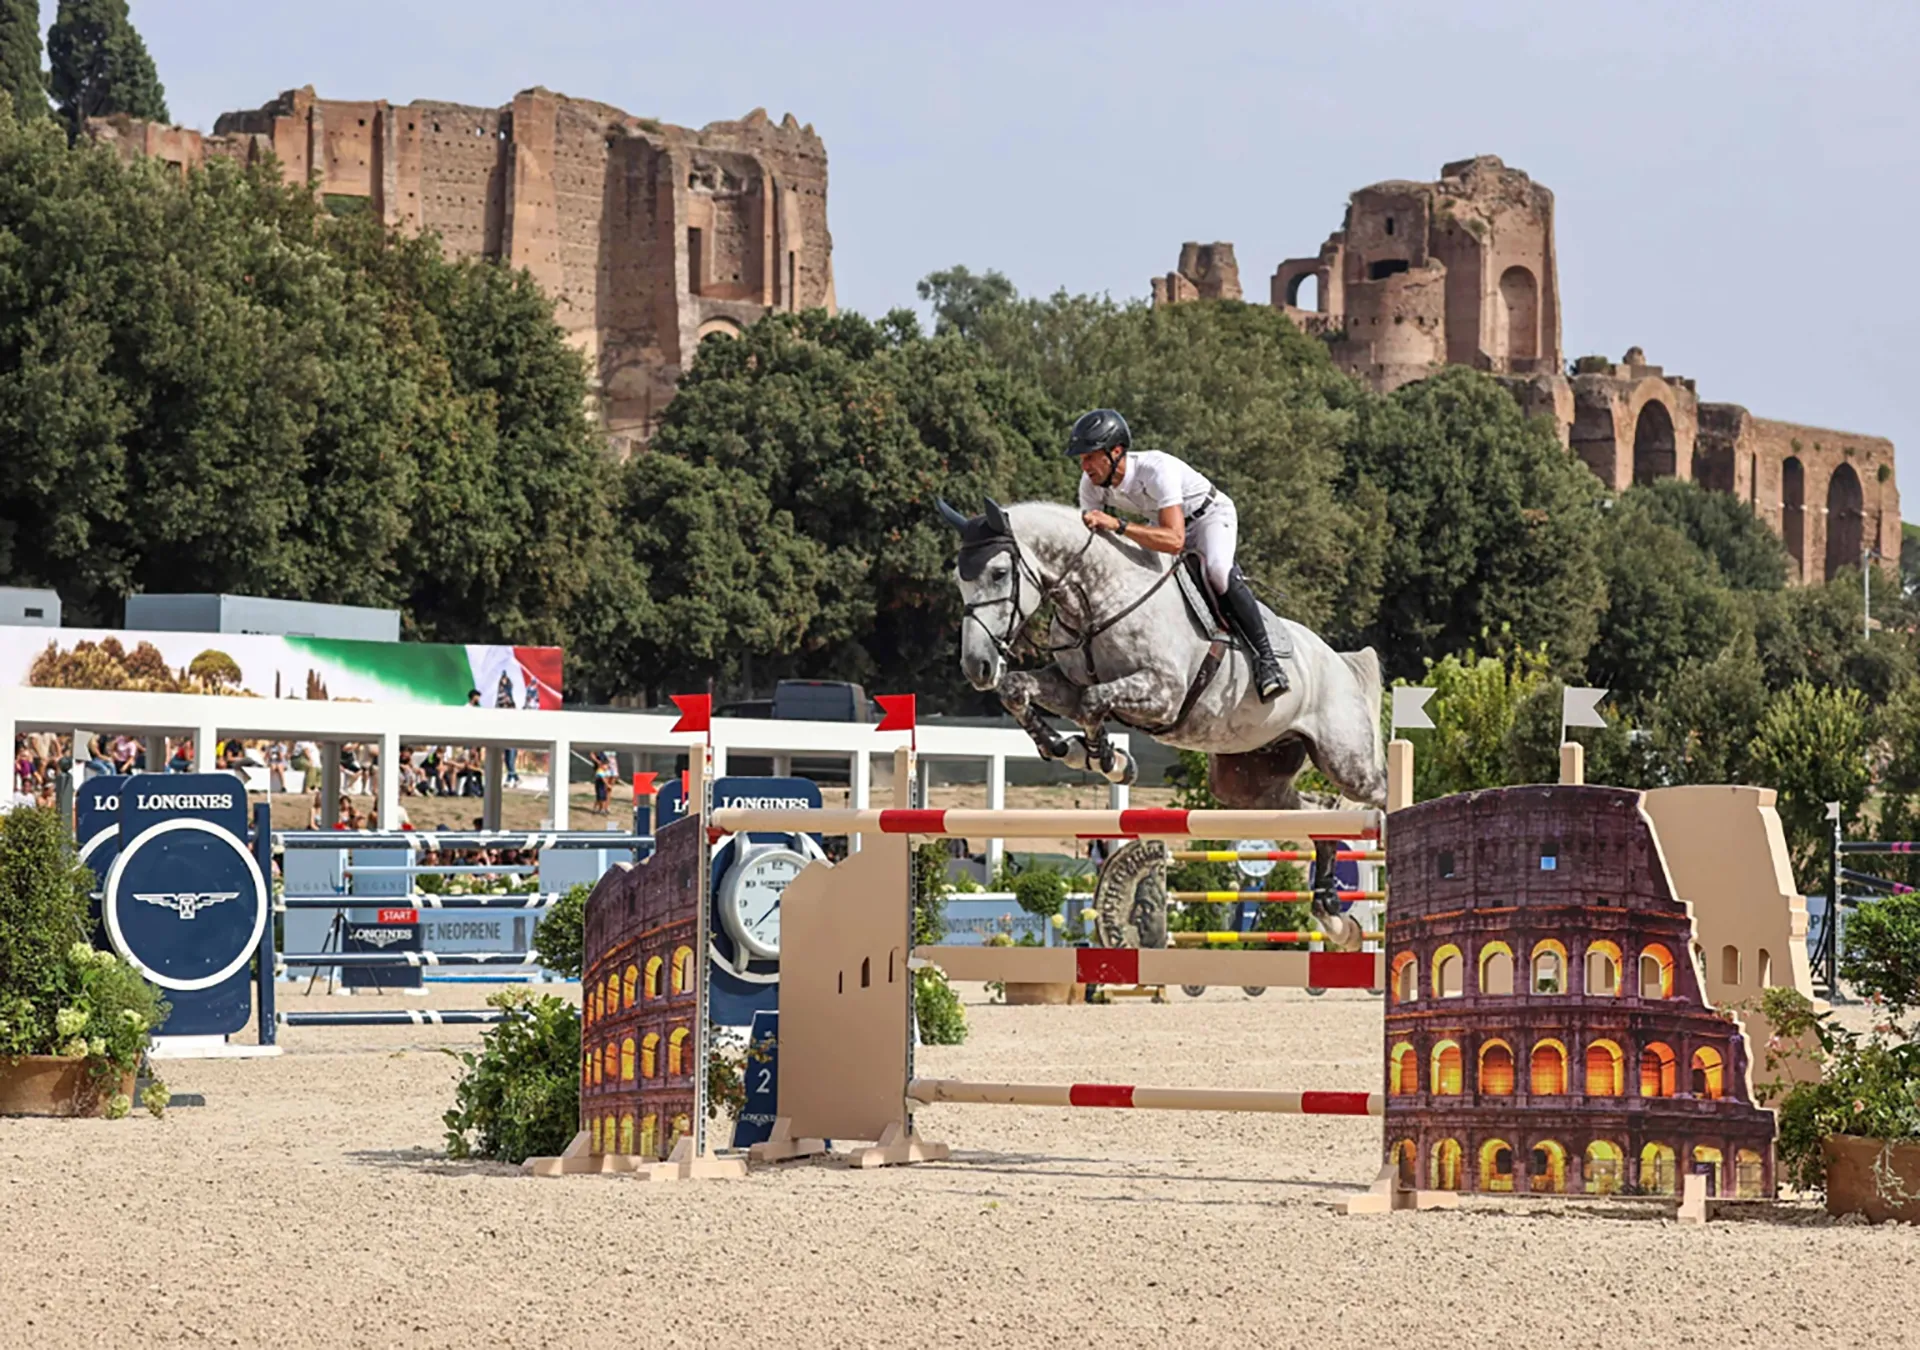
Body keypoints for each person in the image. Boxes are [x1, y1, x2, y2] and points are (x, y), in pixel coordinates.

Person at [1068, 408, 1288, 700]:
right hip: (1161, 524)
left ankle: (1267, 662)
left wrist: (1119, 525)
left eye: (1090, 457)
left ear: (1116, 452)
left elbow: (1174, 540)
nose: (1084, 466)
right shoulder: (1092, 485)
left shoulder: (1156, 468)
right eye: (1082, 459)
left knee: (1218, 574)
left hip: (1208, 518)